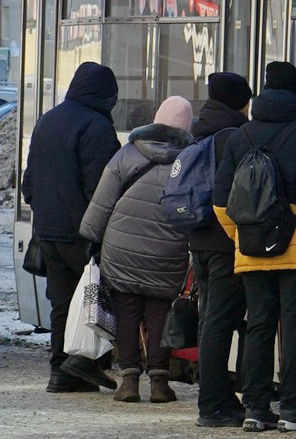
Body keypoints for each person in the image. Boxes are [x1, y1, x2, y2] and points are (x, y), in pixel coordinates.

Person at [212, 62, 296, 433]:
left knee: (257, 325)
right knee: (294, 328)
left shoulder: (240, 137)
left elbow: (221, 202)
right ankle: (292, 407)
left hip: (251, 249)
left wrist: (242, 235)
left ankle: (255, 407)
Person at [79, 96, 196, 403]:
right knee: (159, 314)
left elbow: (103, 201)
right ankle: (159, 382)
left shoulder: (127, 153)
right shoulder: (191, 159)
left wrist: (91, 236)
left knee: (126, 312)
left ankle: (129, 380)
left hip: (122, 247)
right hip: (168, 249)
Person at [20, 62, 122, 393]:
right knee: (96, 300)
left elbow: (29, 182)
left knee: (63, 302)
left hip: (47, 231)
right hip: (83, 233)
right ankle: (85, 363)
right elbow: (100, 187)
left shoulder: (48, 120)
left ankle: (60, 373)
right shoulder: (96, 126)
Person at [188, 72, 254, 427]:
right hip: (223, 239)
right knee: (219, 321)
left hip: (198, 238)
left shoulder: (201, 129)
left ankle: (215, 397)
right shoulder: (233, 136)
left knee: (210, 319)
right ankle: (212, 404)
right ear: (239, 101)